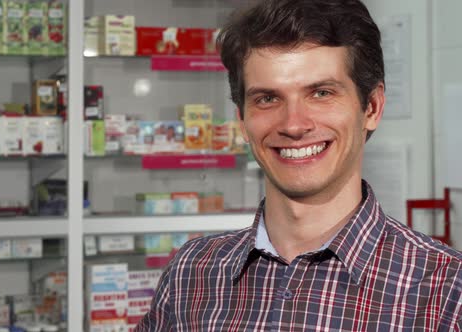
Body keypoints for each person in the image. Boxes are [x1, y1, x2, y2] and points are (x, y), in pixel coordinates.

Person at [135, 0, 462, 331]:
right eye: (267, 98)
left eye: (321, 93)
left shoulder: (446, 292)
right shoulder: (191, 274)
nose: (293, 125)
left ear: (372, 108)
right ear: (243, 122)